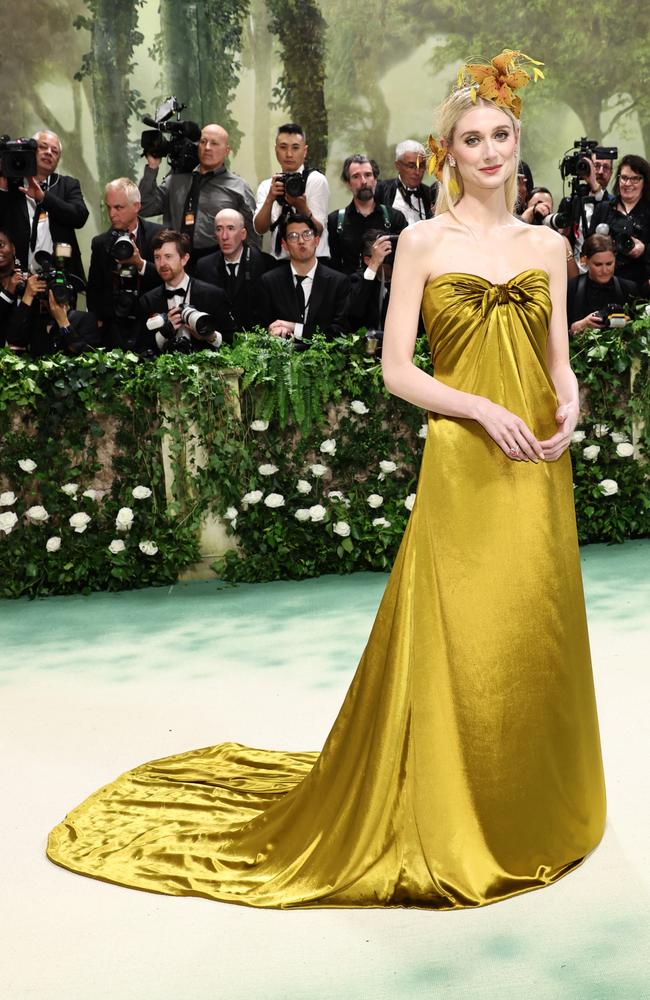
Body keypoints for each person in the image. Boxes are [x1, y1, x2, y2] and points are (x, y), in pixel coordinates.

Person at [47, 50, 606, 910]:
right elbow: (395, 370)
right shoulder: (422, 242)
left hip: (539, 457)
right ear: (446, 150)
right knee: (465, 630)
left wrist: (565, 402)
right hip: (465, 456)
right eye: (471, 139)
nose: (489, 151)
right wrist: (476, 410)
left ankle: (535, 803)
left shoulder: (548, 242)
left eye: (501, 136)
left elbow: (558, 359)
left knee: (535, 625)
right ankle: (452, 812)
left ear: (516, 141)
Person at [138, 123, 258, 268]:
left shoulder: (238, 187)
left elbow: (252, 234)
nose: (207, 148)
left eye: (214, 143)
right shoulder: (176, 180)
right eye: (203, 142)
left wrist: (248, 268)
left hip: (218, 264)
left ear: (226, 150)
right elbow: (145, 208)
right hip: (176, 262)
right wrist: (152, 167)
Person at [86, 178, 164, 351]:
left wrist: (140, 263)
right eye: (108, 207)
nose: (112, 214)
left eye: (118, 207)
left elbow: (168, 278)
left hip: (151, 323)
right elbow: (94, 289)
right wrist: (98, 322)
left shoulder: (159, 235)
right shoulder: (100, 243)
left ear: (136, 206)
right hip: (113, 329)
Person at [0, 130, 89, 281]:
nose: (49, 153)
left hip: (60, 274)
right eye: (43, 147)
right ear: (31, 151)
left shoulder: (67, 184)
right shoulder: (14, 184)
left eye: (55, 151)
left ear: (58, 159)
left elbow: (80, 216)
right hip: (17, 275)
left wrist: (43, 198)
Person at [255, 214, 349, 343]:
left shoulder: (338, 282)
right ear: (285, 245)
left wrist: (295, 328)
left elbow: (340, 332)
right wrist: (272, 331)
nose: (301, 241)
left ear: (316, 241)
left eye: (307, 234)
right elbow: (261, 327)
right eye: (293, 236)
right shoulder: (269, 281)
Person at [139, 229, 231, 353]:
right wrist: (163, 333)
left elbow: (231, 341)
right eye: (157, 257)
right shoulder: (147, 301)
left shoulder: (213, 295)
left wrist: (209, 335)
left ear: (184, 259)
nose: (162, 264)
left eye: (168, 257)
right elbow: (141, 349)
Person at [253, 122, 330, 259]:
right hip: (280, 263)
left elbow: (318, 230)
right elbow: (260, 229)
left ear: (305, 151)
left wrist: (302, 208)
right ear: (276, 149)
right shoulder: (268, 185)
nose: (289, 154)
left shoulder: (316, 180)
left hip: (314, 261)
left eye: (295, 148)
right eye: (283, 147)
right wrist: (270, 199)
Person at [195, 208, 273, 334]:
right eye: (219, 229)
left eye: (231, 228)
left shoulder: (264, 264)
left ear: (243, 234)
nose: (224, 236)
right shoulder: (204, 266)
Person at [327, 154, 407, 274]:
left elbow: (405, 260)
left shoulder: (394, 217)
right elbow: (333, 268)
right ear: (348, 183)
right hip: (349, 290)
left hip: (386, 290)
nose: (363, 181)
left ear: (375, 180)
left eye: (368, 175)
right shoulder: (335, 221)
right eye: (356, 176)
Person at [588, 154, 650, 292]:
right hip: (604, 286)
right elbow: (588, 245)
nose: (628, 184)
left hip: (641, 288)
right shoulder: (603, 208)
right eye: (624, 178)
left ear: (644, 182)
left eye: (635, 179)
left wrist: (644, 250)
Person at [567, 233, 637, 334]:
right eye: (598, 264)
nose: (604, 270)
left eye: (609, 264)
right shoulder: (571, 288)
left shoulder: (629, 288)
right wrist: (579, 326)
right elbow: (557, 332)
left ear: (615, 259)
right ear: (586, 260)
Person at [520, 187, 579, 278]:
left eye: (547, 207)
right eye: (538, 204)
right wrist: (530, 213)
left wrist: (564, 247)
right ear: (526, 206)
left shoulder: (558, 240)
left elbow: (574, 278)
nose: (542, 209)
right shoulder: (518, 230)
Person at [376, 140, 435, 224]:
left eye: (421, 166)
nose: (417, 172)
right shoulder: (381, 190)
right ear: (397, 165)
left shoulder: (430, 194)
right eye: (411, 166)